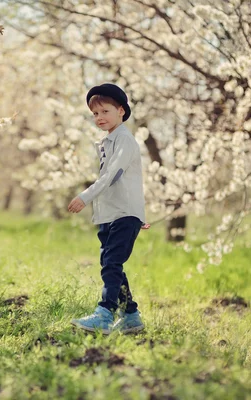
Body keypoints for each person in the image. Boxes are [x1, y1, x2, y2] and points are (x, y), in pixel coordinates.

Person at [68, 83, 150, 335]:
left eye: (105, 111)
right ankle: (131, 316)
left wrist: (85, 196)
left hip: (125, 213)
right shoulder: (107, 142)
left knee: (112, 263)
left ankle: (105, 313)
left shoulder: (125, 140)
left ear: (121, 112)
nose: (99, 118)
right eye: (95, 114)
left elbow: (112, 175)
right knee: (110, 262)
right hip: (109, 213)